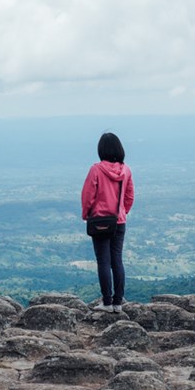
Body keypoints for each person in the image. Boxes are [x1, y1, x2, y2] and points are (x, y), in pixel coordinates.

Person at [81, 133, 135, 313]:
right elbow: (129, 196)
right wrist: (122, 212)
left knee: (103, 261)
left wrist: (86, 214)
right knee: (117, 260)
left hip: (100, 221)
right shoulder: (126, 170)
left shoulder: (96, 170)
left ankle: (107, 302)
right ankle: (118, 303)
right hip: (119, 221)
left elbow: (88, 196)